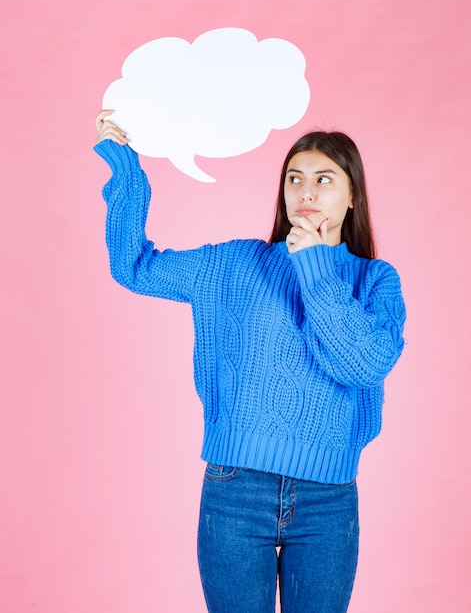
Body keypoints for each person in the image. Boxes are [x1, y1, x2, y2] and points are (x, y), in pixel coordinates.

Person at [94, 109, 406, 613]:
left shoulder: (375, 280)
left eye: (325, 180)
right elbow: (134, 267)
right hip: (235, 491)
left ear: (352, 197)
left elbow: (362, 365)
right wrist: (126, 171)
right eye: (295, 178)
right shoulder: (234, 263)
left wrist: (314, 264)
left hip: (328, 500)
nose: (307, 192)